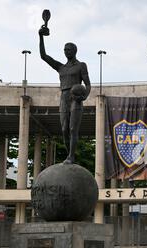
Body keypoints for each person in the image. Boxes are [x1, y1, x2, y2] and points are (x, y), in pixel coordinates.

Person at [39, 25, 91, 164]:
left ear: (74, 51)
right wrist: (41, 37)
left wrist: (84, 96)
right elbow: (44, 56)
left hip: (75, 99)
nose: (66, 51)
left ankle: (71, 157)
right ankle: (70, 155)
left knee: (73, 129)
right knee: (64, 130)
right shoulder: (61, 67)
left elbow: (88, 84)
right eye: (65, 50)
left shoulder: (81, 65)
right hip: (63, 98)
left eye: (68, 49)